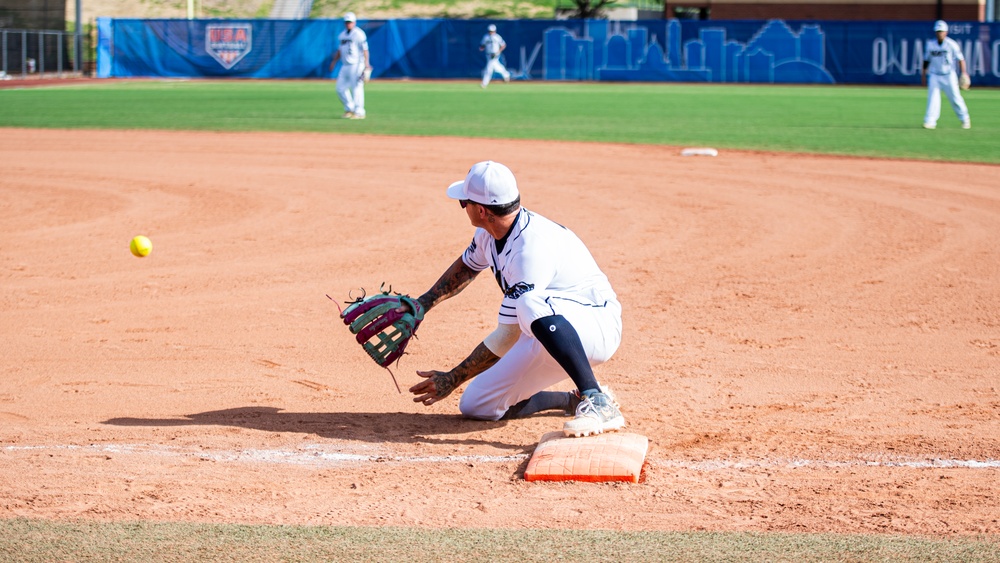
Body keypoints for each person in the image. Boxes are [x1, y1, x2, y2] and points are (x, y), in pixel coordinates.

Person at [407, 161, 625, 438]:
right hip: (548, 330)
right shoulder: (489, 232)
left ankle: (596, 399)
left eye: (464, 202)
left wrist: (453, 377)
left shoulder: (530, 249)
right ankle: (572, 399)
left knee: (527, 303)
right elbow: (468, 265)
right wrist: (422, 305)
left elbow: (506, 335)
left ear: (482, 210)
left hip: (593, 328)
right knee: (478, 405)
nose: (463, 206)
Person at [921, 20, 971, 130]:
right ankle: (930, 121)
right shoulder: (930, 44)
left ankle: (965, 119)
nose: (940, 33)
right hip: (934, 75)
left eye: (942, 31)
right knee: (933, 98)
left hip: (948, 75)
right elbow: (926, 60)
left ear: (946, 32)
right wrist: (923, 75)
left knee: (955, 98)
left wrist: (964, 73)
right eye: (938, 31)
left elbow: (961, 59)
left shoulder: (951, 44)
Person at [329, 12, 371, 120]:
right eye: (347, 22)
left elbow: (365, 50)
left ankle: (359, 112)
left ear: (354, 22)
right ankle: (349, 108)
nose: (348, 24)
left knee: (357, 88)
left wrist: (367, 64)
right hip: (345, 65)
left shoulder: (359, 34)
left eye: (350, 22)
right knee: (340, 88)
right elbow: (340, 50)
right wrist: (334, 62)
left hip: (357, 64)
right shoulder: (342, 35)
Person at [479, 24, 511, 89]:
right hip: (488, 54)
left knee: (489, 68)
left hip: (494, 54)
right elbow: (483, 44)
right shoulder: (486, 37)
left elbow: (503, 45)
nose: (491, 32)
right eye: (490, 31)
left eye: (492, 31)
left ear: (495, 31)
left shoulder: (497, 37)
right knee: (496, 66)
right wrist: (482, 48)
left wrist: (498, 52)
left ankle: (484, 83)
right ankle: (506, 74)